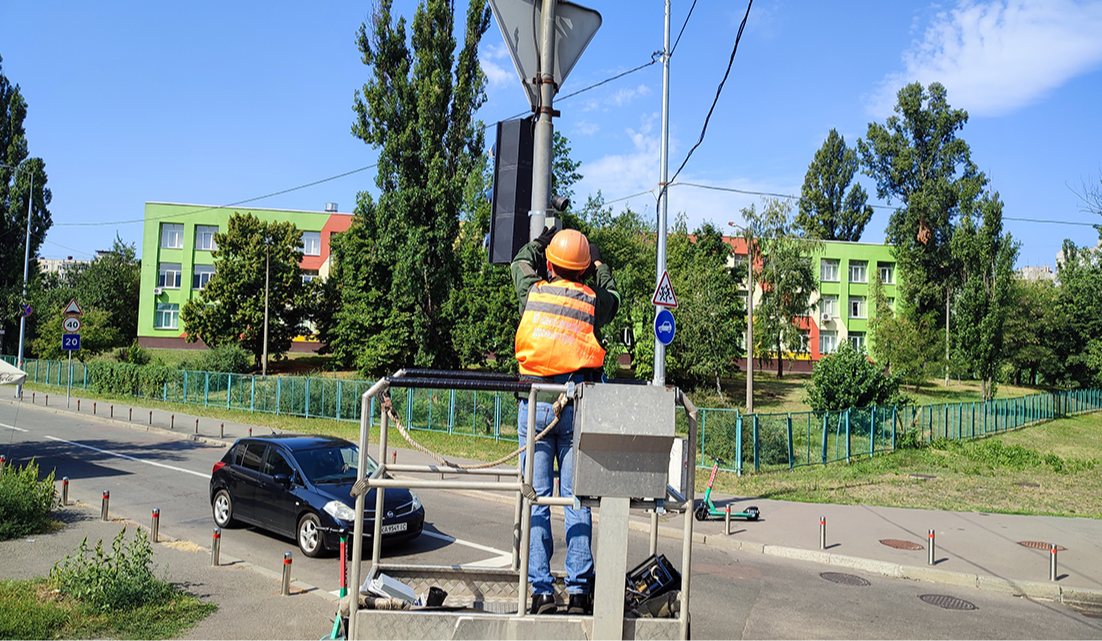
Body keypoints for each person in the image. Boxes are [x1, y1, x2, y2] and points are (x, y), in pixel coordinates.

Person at [511, 226, 620, 615]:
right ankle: (578, 592)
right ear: (585, 268)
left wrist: (539, 242)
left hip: (537, 402)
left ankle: (540, 592)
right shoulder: (593, 301)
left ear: (552, 265)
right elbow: (614, 296)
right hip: (577, 405)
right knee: (578, 498)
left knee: (536, 499)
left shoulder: (534, 292)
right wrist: (601, 268)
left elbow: (520, 264)